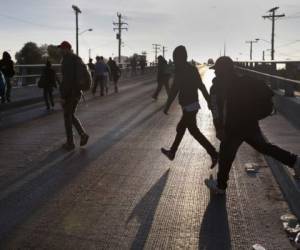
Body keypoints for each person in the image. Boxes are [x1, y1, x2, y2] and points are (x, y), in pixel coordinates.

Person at [205, 56, 300, 194]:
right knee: (265, 147)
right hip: (249, 123)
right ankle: (295, 162)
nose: (215, 73)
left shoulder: (216, 88)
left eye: (217, 71)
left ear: (222, 71)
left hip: (232, 127)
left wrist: (219, 128)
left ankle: (220, 186)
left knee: (226, 154)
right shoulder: (246, 81)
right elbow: (268, 91)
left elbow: (215, 111)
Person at [161, 46, 218, 168]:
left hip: (189, 105)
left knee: (191, 130)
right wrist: (208, 101)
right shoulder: (192, 69)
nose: (174, 60)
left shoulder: (180, 71)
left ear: (180, 58)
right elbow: (201, 86)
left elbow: (174, 91)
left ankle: (213, 153)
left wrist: (167, 106)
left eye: (175, 58)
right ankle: (172, 152)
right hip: (192, 105)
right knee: (182, 128)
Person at [58, 41, 89, 150]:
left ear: (67, 49)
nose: (60, 50)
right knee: (70, 115)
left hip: (70, 93)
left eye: (62, 48)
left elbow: (67, 80)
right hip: (76, 92)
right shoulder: (76, 58)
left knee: (67, 116)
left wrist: (62, 96)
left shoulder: (68, 60)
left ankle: (70, 143)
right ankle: (82, 135)